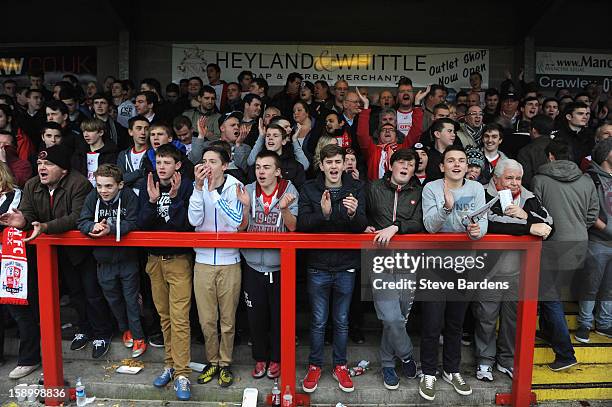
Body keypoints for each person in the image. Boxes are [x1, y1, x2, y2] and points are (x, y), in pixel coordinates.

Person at [0, 144, 114, 359]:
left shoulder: (79, 183)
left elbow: (76, 217)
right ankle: (84, 328)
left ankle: (102, 332)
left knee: (92, 293)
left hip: (81, 252)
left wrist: (45, 227)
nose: (42, 168)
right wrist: (22, 220)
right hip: (54, 253)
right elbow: (27, 212)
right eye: (40, 163)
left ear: (63, 170)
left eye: (48, 164)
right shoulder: (33, 184)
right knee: (75, 294)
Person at [298, 144, 367, 394]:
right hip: (317, 265)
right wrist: (324, 215)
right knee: (317, 321)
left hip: (346, 265)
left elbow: (363, 225)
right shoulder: (309, 188)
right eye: (329, 163)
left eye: (338, 162)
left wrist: (352, 215)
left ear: (344, 164)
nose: (334, 167)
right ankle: (315, 365)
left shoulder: (357, 187)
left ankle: (340, 365)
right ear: (322, 165)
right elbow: (302, 225)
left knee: (342, 320)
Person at [420, 145, 487, 401]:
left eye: (461, 160)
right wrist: (447, 208)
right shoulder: (431, 188)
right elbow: (429, 227)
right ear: (442, 166)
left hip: (464, 265)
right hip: (434, 265)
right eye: (451, 160)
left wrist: (476, 232)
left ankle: (452, 369)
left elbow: (483, 224)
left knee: (456, 322)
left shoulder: (476, 188)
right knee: (431, 322)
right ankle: (428, 372)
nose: (457, 165)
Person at [476, 159, 552, 381]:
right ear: (496, 178)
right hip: (489, 271)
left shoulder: (529, 197)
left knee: (512, 320)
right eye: (509, 178)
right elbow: (490, 222)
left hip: (519, 273)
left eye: (518, 178)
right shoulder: (483, 193)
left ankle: (506, 360)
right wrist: (529, 227)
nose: (514, 183)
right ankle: (484, 362)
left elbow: (549, 224)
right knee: (486, 317)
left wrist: (526, 215)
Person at [532, 141, 598, 371]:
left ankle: (565, 354)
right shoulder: (587, 180)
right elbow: (592, 214)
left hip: (551, 244)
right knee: (554, 293)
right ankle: (548, 333)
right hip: (579, 243)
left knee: (550, 299)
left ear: (550, 156)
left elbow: (535, 213)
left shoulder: (540, 180)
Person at [137, 143, 194, 400]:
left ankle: (182, 374)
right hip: (154, 261)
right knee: (165, 317)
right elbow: (141, 224)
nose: (161, 167)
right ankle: (169, 365)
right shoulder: (147, 186)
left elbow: (185, 226)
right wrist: (150, 201)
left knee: (180, 318)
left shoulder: (187, 186)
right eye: (158, 162)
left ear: (178, 165)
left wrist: (173, 199)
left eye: (167, 162)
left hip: (179, 260)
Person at [237, 150, 299, 379]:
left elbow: (293, 227)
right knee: (256, 317)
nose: (261, 172)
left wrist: (283, 208)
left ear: (278, 171)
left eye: (266, 167)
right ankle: (260, 359)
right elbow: (241, 228)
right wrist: (245, 206)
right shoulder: (248, 190)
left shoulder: (289, 190)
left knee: (279, 317)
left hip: (280, 266)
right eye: (258, 167)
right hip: (253, 265)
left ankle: (277, 359)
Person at [365, 148, 423, 390]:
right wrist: (366, 226)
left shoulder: (419, 192)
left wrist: (396, 227)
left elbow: (420, 222)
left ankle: (388, 363)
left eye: (410, 164)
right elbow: (363, 214)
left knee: (399, 317)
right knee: (390, 316)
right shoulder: (373, 188)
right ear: (391, 165)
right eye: (401, 162)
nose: (405, 167)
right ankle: (407, 356)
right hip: (380, 259)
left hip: (408, 260)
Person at [188, 145, 244, 388]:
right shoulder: (198, 187)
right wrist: (199, 190)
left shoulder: (235, 186)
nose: (207, 166)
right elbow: (194, 220)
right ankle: (212, 361)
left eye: (213, 161)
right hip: (202, 261)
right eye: (204, 161)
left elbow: (234, 222)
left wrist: (212, 193)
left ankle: (225, 363)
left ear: (225, 165)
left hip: (229, 261)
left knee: (228, 319)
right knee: (207, 319)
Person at [78, 164, 146, 358]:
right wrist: (93, 226)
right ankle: (126, 329)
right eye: (99, 186)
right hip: (103, 260)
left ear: (120, 185)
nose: (103, 191)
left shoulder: (129, 197)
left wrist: (112, 228)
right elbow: (82, 221)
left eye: (108, 186)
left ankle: (139, 335)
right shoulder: (93, 197)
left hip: (127, 259)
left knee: (131, 299)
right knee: (113, 299)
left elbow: (134, 223)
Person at [0, 161, 38, 379]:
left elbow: (8, 220)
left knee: (20, 312)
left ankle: (29, 359)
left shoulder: (16, 195)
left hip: (14, 261)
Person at [576, 138, 612, 341]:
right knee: (591, 284)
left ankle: (605, 323)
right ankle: (584, 324)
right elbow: (589, 212)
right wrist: (607, 230)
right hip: (597, 240)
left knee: (609, 286)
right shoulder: (591, 178)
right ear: (607, 153)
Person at [356, 91, 426, 181]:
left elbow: (416, 131)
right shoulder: (372, 150)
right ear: (379, 135)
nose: (387, 131)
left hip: (399, 189)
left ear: (396, 135)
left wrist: (417, 104)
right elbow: (362, 134)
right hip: (376, 191)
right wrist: (365, 107)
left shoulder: (403, 148)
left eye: (391, 130)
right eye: (384, 130)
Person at [246, 122, 307, 188]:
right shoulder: (256, 166)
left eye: (275, 136)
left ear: (283, 141)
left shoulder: (296, 166)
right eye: (268, 135)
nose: (270, 138)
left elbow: (300, 192)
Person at [71, 118, 119, 186]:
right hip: (82, 192)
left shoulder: (112, 153)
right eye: (84, 131)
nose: (85, 135)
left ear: (101, 133)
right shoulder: (79, 153)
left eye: (90, 131)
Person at [516, 114, 554, 189]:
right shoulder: (561, 146)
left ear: (533, 130)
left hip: (537, 193)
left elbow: (526, 181)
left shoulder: (525, 151)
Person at [117, 115, 150, 194]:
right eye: (139, 128)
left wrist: (129, 179)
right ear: (130, 132)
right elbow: (119, 179)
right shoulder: (123, 155)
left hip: (146, 197)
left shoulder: (152, 153)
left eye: (146, 129)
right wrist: (139, 173)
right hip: (126, 198)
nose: (143, 132)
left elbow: (149, 180)